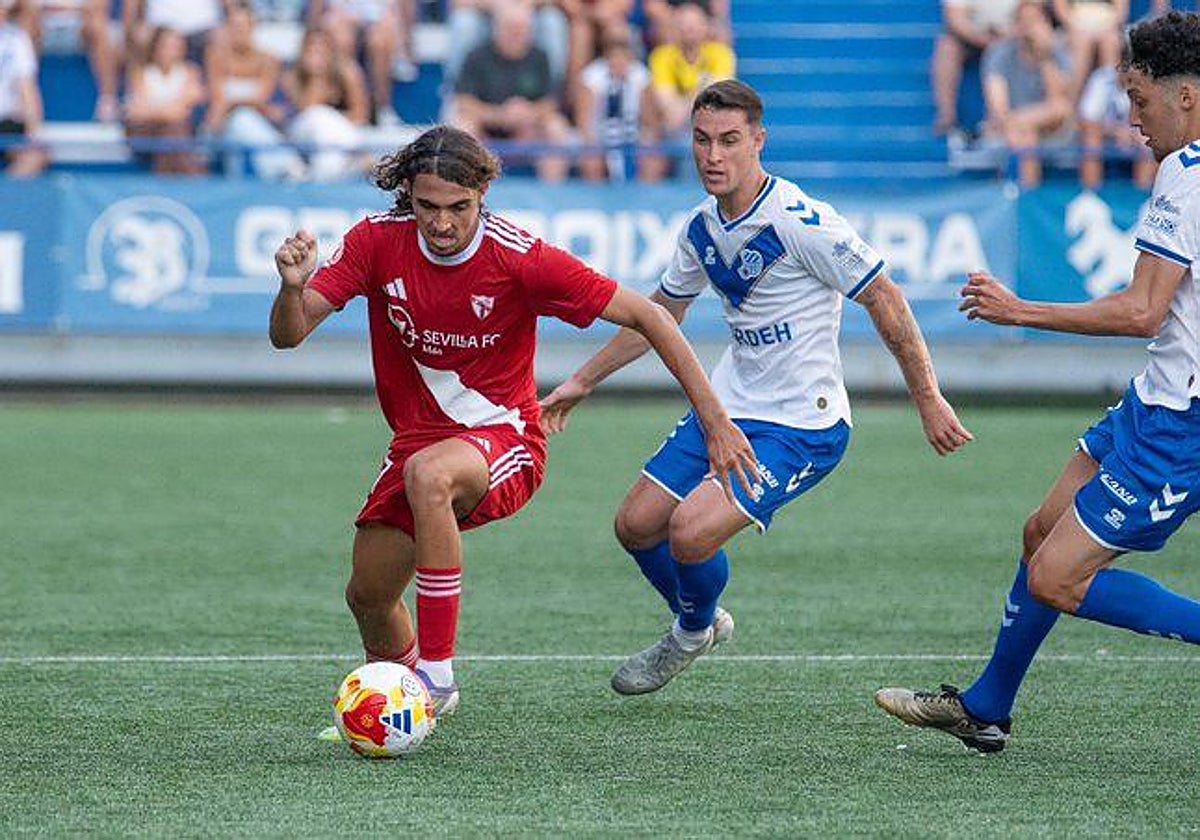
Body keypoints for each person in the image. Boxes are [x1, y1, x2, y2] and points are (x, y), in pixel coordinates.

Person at [269, 125, 757, 717]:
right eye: (427, 207)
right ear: (407, 196)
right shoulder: (376, 242)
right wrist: (291, 289)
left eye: (459, 208)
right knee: (369, 596)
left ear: (483, 196)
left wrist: (715, 421)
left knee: (430, 475)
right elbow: (288, 335)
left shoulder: (520, 258)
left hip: (507, 440)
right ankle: (403, 709)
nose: (442, 223)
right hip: (417, 443)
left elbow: (652, 318)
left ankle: (437, 681)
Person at [539, 80, 973, 696]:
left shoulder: (802, 222)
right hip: (730, 406)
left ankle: (689, 633)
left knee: (689, 531)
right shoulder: (700, 229)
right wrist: (582, 381)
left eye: (729, 141)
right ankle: (701, 621)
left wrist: (927, 398)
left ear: (758, 141)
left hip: (803, 425)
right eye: (701, 140)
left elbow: (885, 298)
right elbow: (660, 315)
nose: (712, 155)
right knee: (636, 525)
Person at [875, 10, 1200, 754]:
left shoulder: (1185, 174)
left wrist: (1019, 309)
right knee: (1039, 534)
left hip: (1183, 420)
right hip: (1153, 401)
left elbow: (1144, 309)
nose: (1131, 120)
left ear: (1184, 97)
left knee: (1057, 577)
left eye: (1140, 100)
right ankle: (986, 706)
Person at [452, 2, 570, 181]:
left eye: (522, 28)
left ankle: (553, 191)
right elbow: (463, 102)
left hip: (529, 130)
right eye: (510, 28)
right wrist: (500, 115)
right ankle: (468, 190)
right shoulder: (477, 56)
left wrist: (528, 114)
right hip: (487, 130)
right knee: (463, 127)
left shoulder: (540, 56)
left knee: (556, 126)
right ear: (497, 28)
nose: (516, 33)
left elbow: (550, 102)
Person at [980, 0, 1073, 187]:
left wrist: (1044, 56)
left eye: (1034, 21)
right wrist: (1021, 125)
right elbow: (998, 110)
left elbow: (1059, 106)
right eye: (1023, 21)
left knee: (1059, 109)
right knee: (1026, 135)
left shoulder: (1057, 53)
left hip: (1051, 129)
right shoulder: (999, 53)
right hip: (1009, 129)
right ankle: (1026, 199)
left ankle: (1018, 196)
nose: (1028, 28)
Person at [574, 24, 666, 182]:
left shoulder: (640, 76)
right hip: (599, 137)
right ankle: (595, 201)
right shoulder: (591, 77)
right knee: (591, 159)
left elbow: (651, 122)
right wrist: (594, 144)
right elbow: (583, 122)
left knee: (653, 158)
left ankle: (646, 201)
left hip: (633, 136)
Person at [123, 26, 206, 174]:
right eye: (167, 45)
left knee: (172, 132)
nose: (171, 50)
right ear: (155, 46)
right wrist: (170, 110)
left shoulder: (191, 71)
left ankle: (163, 177)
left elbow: (185, 110)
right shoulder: (140, 73)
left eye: (176, 45)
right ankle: (194, 177)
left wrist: (154, 108)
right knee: (172, 130)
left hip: (177, 130)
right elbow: (135, 111)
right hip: (145, 131)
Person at [931, 0, 1019, 134]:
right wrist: (981, 39)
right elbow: (955, 18)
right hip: (972, 36)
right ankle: (946, 114)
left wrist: (1006, 36)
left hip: (1013, 37)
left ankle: (1015, 117)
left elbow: (1032, 14)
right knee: (947, 48)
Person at [647, 0, 733, 138]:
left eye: (694, 24)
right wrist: (701, 88)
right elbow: (667, 108)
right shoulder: (661, 56)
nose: (689, 29)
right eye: (683, 24)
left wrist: (683, 105)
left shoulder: (721, 54)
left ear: (706, 26)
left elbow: (717, 99)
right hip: (673, 129)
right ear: (674, 27)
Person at [1052, 0, 1128, 100]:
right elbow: (1061, 10)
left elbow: (1120, 13)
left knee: (1110, 43)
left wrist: (1105, 28)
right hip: (1075, 28)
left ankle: (1109, 104)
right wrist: (1076, 27)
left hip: (1108, 28)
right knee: (1082, 43)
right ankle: (1072, 103)